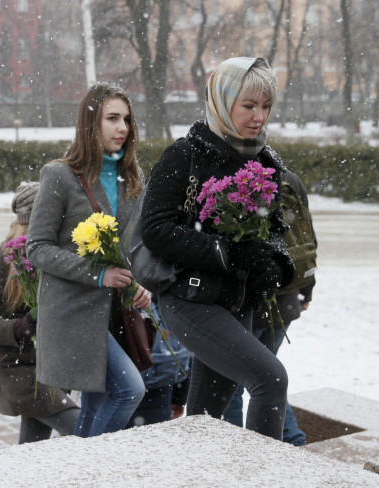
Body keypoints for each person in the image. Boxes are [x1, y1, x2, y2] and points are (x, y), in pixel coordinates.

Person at [141, 57, 295, 440]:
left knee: (204, 419)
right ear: (223, 102)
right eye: (248, 106)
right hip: (189, 299)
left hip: (237, 303)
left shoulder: (267, 161)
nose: (259, 117)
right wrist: (226, 252)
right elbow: (156, 229)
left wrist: (273, 265)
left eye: (266, 107)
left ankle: (191, 474)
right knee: (270, 379)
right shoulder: (185, 155)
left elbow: (278, 231)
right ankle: (265, 479)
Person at [26, 82, 152, 438]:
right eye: (112, 118)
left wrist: (140, 284)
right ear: (91, 123)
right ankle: (91, 466)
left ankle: (79, 469)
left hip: (114, 311)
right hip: (72, 311)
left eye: (126, 119)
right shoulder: (60, 175)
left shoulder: (133, 178)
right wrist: (98, 275)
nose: (122, 128)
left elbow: (134, 247)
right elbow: (36, 248)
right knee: (130, 389)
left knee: (98, 401)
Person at [0, 182, 80, 444]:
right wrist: (20, 327)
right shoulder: (1, 259)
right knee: (81, 428)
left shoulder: (57, 252)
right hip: (19, 367)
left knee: (34, 447)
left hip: (51, 365)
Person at [222, 168, 316, 446]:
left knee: (234, 382)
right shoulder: (288, 176)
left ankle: (232, 450)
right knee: (269, 377)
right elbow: (307, 234)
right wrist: (306, 288)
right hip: (284, 298)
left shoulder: (237, 177)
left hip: (248, 304)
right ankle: (291, 441)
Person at [126, 296, 191, 429]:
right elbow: (180, 351)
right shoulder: (164, 301)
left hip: (124, 385)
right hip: (160, 384)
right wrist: (179, 397)